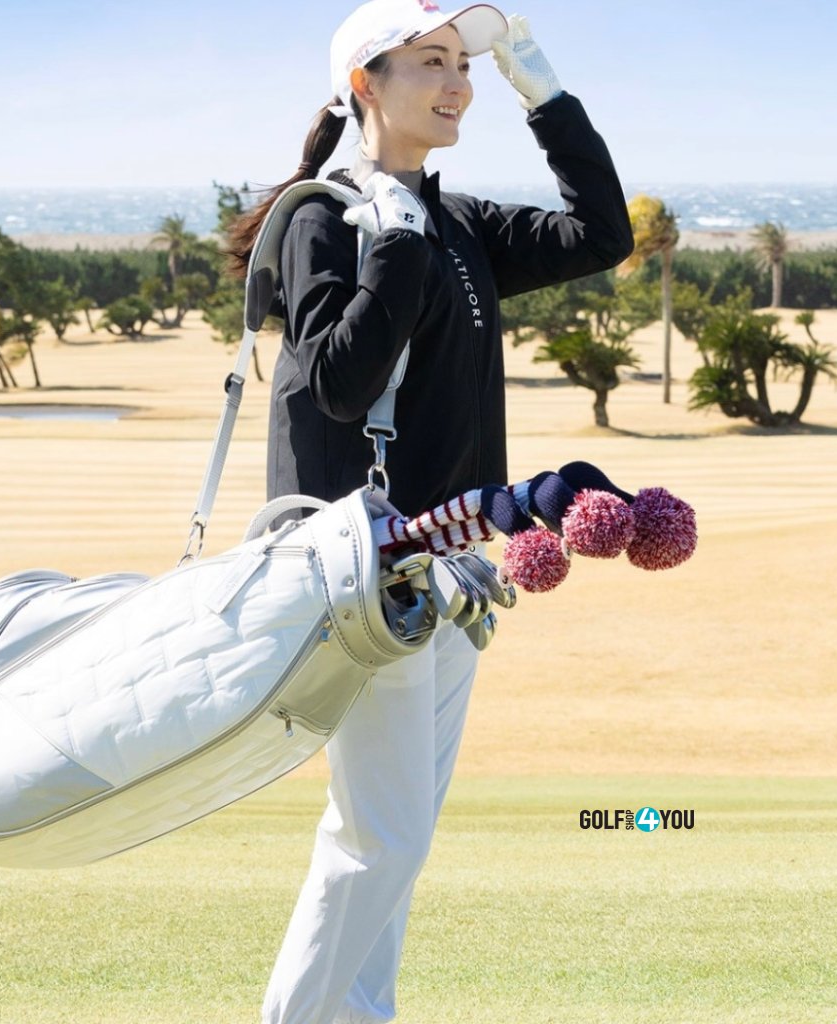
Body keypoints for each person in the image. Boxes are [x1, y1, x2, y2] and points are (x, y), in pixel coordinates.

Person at [227, 2, 634, 1021]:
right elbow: (338, 382)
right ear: (364, 83)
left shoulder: (460, 223)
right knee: (381, 835)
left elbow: (601, 234)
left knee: (397, 839)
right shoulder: (324, 219)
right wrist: (395, 241)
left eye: (464, 64)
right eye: (430, 63)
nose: (457, 84)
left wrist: (539, 85)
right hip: (364, 573)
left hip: (452, 571)